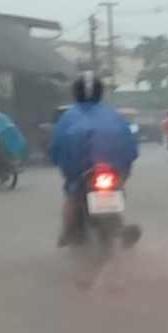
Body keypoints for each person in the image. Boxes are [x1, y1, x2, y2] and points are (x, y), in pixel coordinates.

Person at [49, 73, 139, 246]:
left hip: (80, 171)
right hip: (114, 169)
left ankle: (67, 232)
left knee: (73, 196)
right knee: (118, 188)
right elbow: (131, 146)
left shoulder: (68, 117)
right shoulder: (114, 115)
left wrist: (60, 162)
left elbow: (57, 147)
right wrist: (124, 168)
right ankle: (119, 225)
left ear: (76, 93)